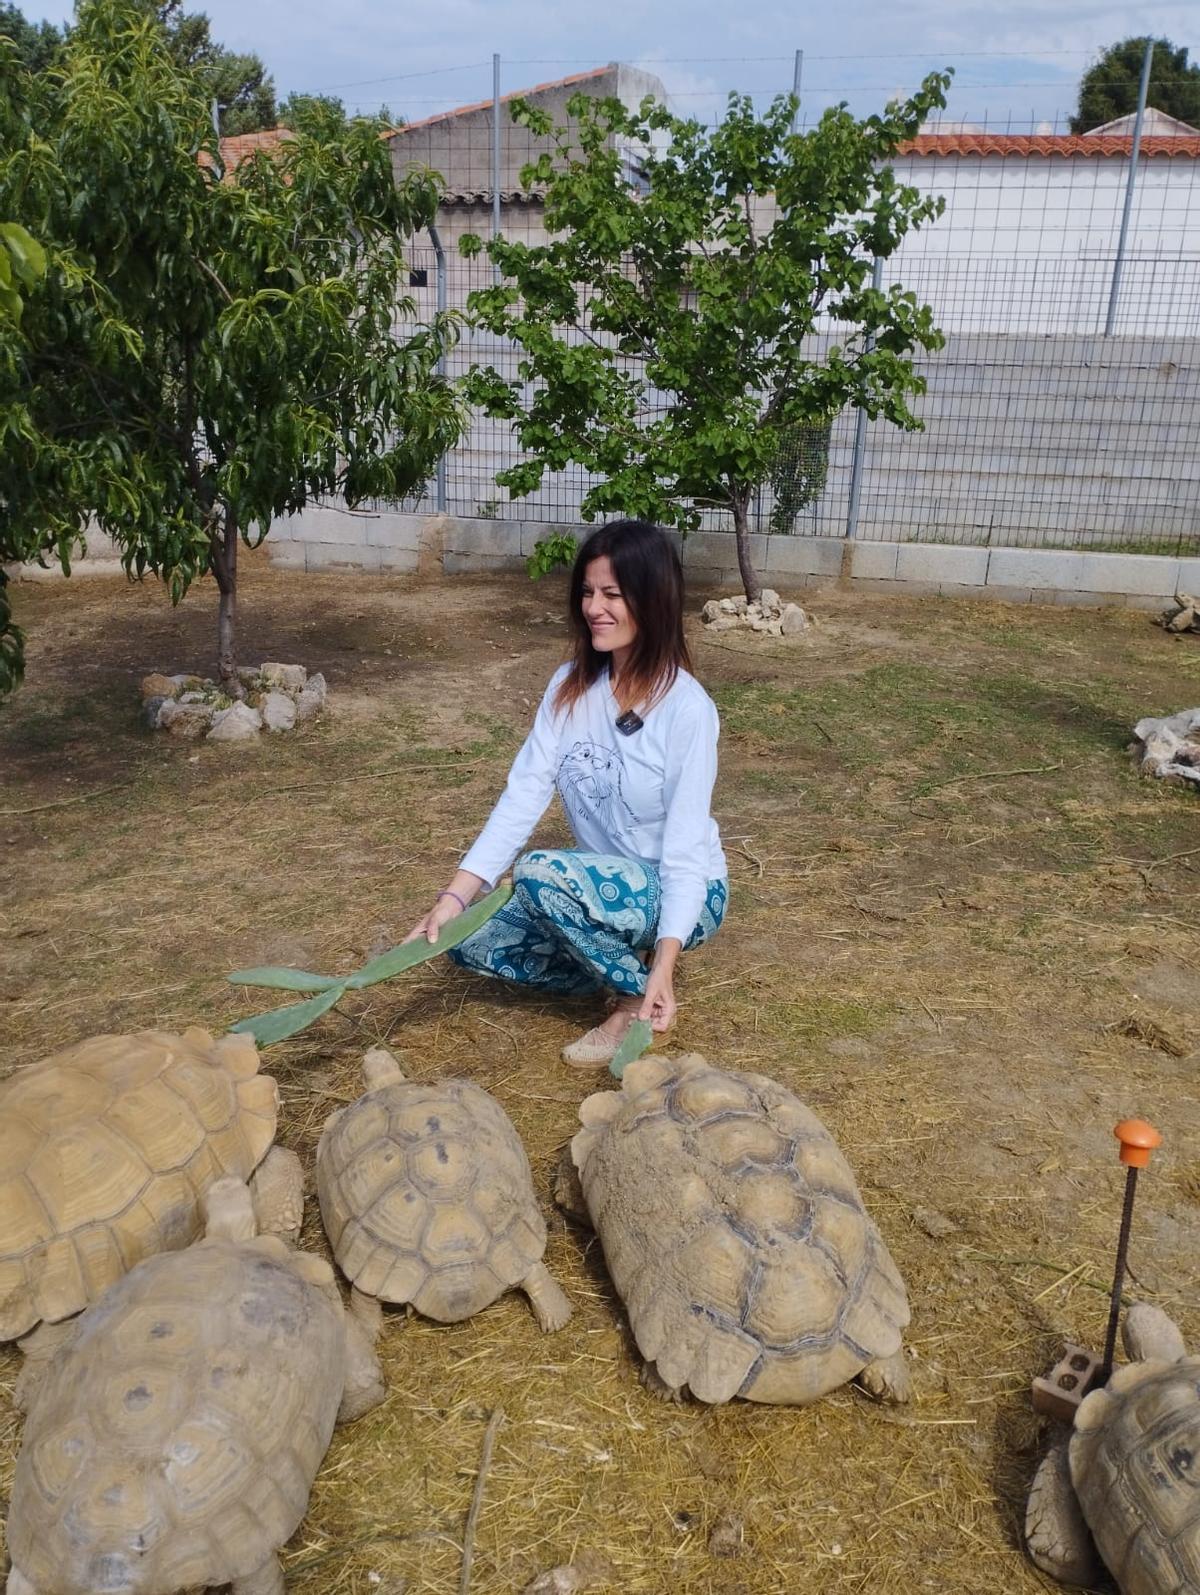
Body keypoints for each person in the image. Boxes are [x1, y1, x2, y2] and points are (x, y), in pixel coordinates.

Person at [405, 519, 727, 1068]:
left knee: (538, 873)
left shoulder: (687, 709)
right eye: (586, 592)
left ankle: (634, 996)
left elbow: (685, 853)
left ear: (652, 600)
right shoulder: (569, 687)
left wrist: (666, 963)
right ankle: (609, 964)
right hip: (602, 881)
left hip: (686, 890)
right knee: (464, 938)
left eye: (612, 595)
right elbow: (523, 795)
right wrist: (454, 899)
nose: (593, 608)